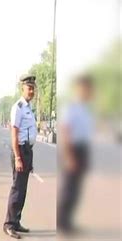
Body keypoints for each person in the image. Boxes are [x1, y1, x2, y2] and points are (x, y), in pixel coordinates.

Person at [57, 74, 93, 234]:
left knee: (77, 189)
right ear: (78, 89)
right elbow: (66, 131)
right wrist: (69, 156)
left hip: (83, 149)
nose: (87, 91)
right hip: (73, 150)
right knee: (69, 188)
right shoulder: (71, 107)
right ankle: (62, 222)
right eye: (85, 88)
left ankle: (68, 221)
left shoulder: (86, 108)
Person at [3, 74, 37, 239]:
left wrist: (28, 157)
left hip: (27, 151)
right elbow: (14, 133)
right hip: (20, 151)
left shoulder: (29, 108)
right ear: (22, 88)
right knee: (17, 188)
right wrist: (17, 157)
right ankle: (9, 224)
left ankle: (16, 221)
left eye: (33, 88)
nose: (31, 91)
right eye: (29, 88)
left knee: (22, 190)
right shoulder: (18, 107)